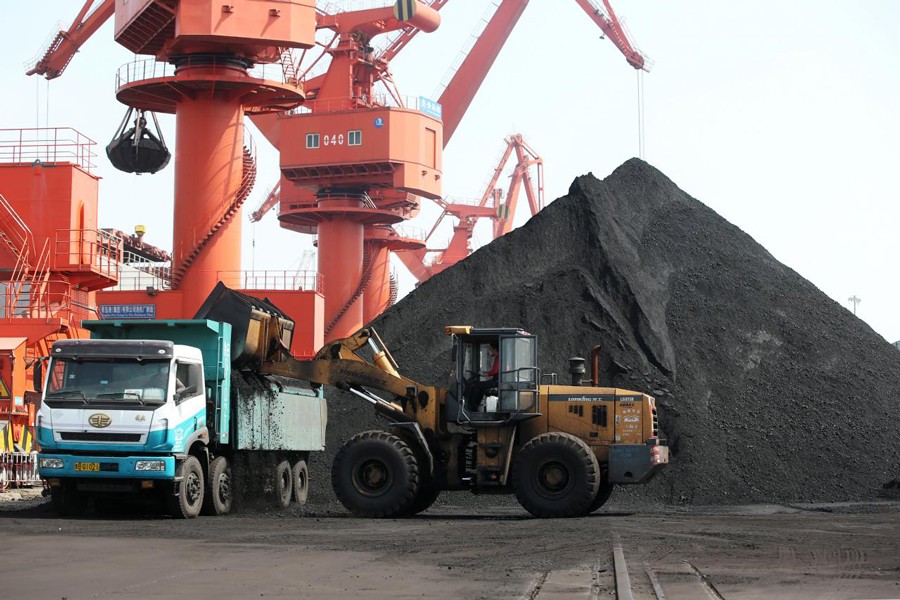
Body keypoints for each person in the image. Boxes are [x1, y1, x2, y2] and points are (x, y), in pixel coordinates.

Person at [467, 341, 499, 411]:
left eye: (491, 349)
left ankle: (472, 407)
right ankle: (476, 406)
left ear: (495, 349)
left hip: (497, 382)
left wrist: (484, 374)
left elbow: (494, 371)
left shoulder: (498, 358)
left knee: (476, 386)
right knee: (482, 387)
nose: (490, 351)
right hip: (497, 381)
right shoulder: (501, 358)